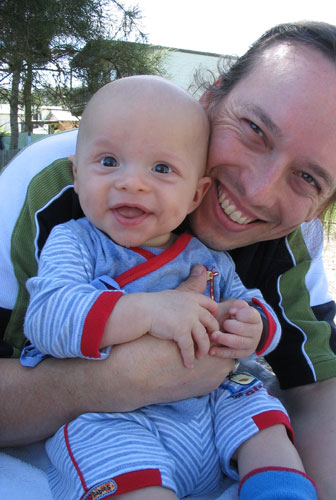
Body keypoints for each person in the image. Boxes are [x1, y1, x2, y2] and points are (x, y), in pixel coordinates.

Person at [0, 20, 336, 500]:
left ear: (322, 204)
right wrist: (112, 380)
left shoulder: (289, 233)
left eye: (307, 177)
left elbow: (320, 385)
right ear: (211, 98)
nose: (257, 190)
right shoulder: (57, 185)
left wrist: (252, 324)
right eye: (255, 129)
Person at [22, 75, 316, 500]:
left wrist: (252, 325)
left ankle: (278, 489)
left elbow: (248, 304)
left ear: (196, 195)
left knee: (257, 405)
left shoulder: (206, 256)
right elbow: (47, 317)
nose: (132, 182)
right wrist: (149, 311)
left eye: (161, 169)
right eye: (108, 162)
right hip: (117, 418)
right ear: (76, 172)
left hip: (213, 405)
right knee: (104, 450)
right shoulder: (75, 241)